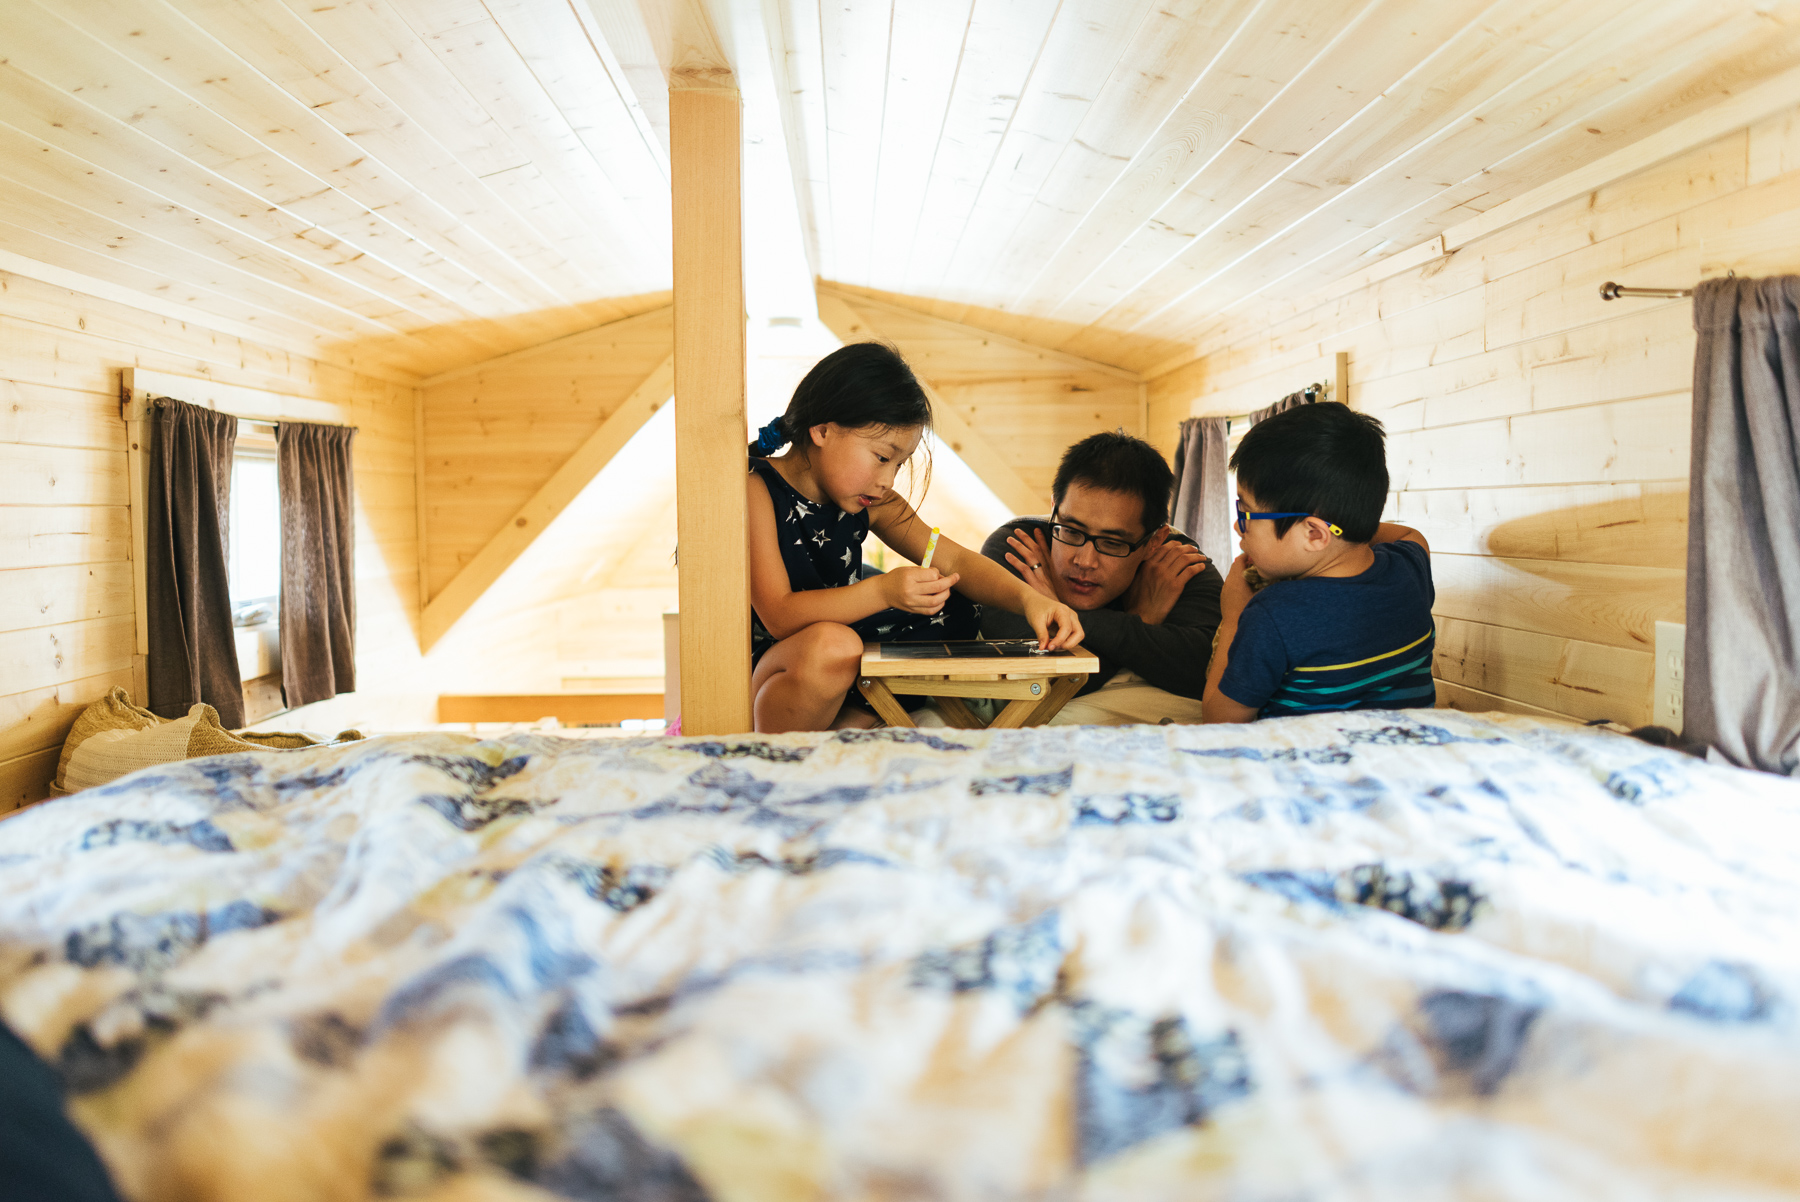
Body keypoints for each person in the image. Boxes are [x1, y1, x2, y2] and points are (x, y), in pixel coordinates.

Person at [748, 342, 1084, 733]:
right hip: (777, 659)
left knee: (956, 602)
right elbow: (780, 617)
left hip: (841, 645)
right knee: (832, 645)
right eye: (881, 457)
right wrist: (883, 592)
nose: (888, 480)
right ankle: (777, 750)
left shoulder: (875, 503)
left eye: (899, 464)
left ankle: (855, 724)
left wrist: (1032, 600)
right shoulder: (757, 488)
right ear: (822, 430)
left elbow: (955, 561)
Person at [1202, 403, 1435, 723]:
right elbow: (1411, 534)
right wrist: (1348, 528)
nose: (1237, 526)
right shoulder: (1411, 567)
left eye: (1246, 514)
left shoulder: (1272, 615)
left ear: (1313, 533)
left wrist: (1233, 617)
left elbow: (1220, 720)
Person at [978, 431, 1223, 725]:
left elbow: (1205, 675)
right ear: (1055, 508)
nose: (1084, 561)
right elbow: (1026, 686)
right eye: (1070, 531)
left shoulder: (1179, 565)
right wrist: (1142, 619)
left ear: (1155, 540)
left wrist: (1057, 614)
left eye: (1112, 543)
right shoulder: (1018, 548)